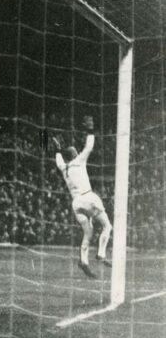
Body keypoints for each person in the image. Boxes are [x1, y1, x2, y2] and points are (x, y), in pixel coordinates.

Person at [53, 115, 112, 278]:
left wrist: (57, 148)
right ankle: (101, 254)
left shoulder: (64, 168)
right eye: (75, 151)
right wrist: (90, 129)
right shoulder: (79, 160)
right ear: (74, 154)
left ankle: (83, 261)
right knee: (107, 226)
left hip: (76, 203)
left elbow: (58, 159)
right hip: (88, 197)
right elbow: (89, 146)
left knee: (88, 233)